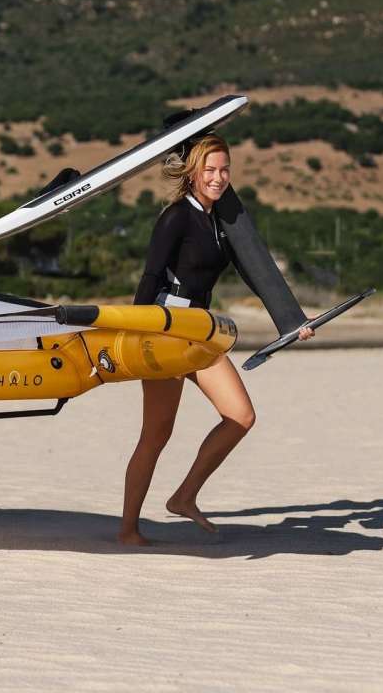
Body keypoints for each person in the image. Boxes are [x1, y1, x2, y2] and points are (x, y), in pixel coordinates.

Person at [118, 133, 313, 546]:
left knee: (240, 416)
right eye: (209, 169)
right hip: (164, 331)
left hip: (200, 333)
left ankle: (184, 496)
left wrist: (294, 323)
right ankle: (128, 528)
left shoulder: (220, 222)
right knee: (156, 434)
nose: (218, 177)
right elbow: (150, 277)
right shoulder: (175, 217)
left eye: (224, 170)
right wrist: (134, 336)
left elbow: (254, 273)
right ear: (192, 172)